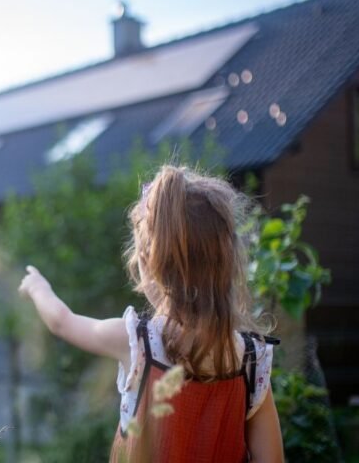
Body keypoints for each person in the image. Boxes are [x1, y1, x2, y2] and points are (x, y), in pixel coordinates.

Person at [19, 165, 284, 462]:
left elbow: (61, 322)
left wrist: (37, 287)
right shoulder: (251, 361)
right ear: (227, 264)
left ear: (148, 262)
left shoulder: (138, 345)